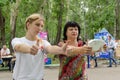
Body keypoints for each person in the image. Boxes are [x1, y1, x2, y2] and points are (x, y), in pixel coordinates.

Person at [11, 13, 69, 80]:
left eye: (42, 26)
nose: (40, 28)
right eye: (37, 25)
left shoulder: (43, 42)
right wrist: (30, 49)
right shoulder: (17, 40)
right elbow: (19, 47)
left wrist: (61, 50)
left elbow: (50, 48)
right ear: (28, 24)